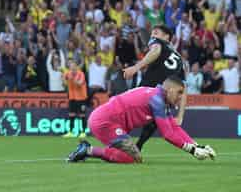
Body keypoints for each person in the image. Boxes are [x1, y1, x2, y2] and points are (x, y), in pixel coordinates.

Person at [67, 76, 216, 164]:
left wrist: (198, 146)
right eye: (179, 92)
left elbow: (174, 127)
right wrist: (192, 150)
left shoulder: (160, 98)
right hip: (104, 121)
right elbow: (168, 134)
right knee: (133, 158)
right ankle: (88, 150)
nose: (180, 97)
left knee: (132, 156)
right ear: (170, 90)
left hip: (109, 120)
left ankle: (89, 150)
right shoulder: (157, 100)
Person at [123, 24, 186, 151]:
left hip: (144, 92)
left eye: (156, 33)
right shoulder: (180, 60)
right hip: (161, 97)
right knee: (153, 122)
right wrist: (180, 116)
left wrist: (136, 67)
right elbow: (183, 89)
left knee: (125, 115)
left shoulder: (158, 43)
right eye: (152, 33)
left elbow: (156, 50)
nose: (152, 36)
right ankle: (138, 145)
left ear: (166, 37)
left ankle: (118, 141)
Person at [62, 60, 88, 138]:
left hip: (81, 97)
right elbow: (64, 82)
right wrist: (64, 79)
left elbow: (80, 83)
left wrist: (72, 79)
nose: (72, 69)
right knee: (71, 114)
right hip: (72, 97)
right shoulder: (68, 73)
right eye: (71, 67)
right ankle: (70, 132)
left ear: (76, 67)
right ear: (69, 68)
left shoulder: (81, 74)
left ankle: (83, 132)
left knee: (82, 115)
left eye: (74, 67)